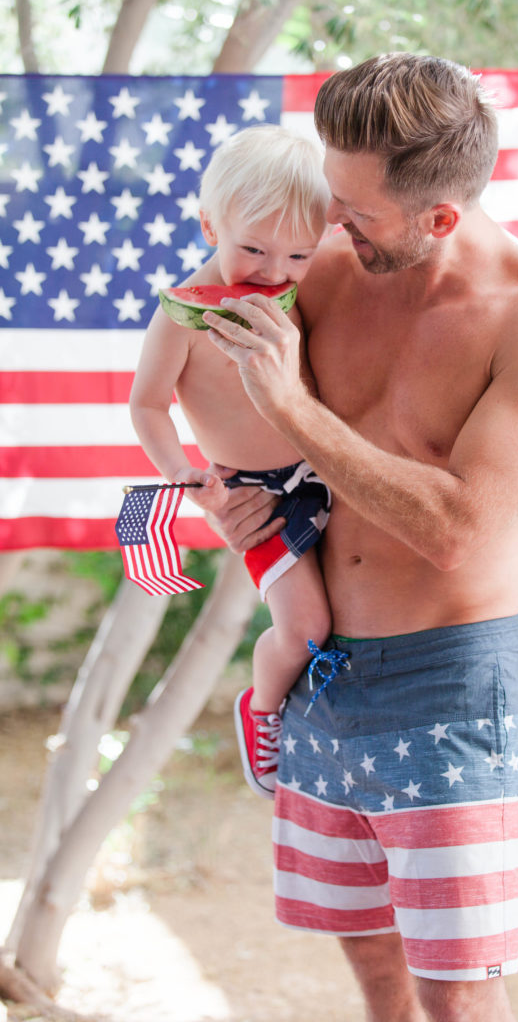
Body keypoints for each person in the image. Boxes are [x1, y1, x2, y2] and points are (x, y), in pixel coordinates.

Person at [201, 55, 518, 1022]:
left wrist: (292, 410)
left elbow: (458, 529)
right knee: (369, 951)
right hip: (320, 663)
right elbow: (244, 416)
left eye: (355, 211)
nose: (327, 226)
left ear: (439, 218)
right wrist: (231, 499)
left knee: (456, 986)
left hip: (445, 677)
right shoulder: (324, 270)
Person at [129, 125, 333, 798]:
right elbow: (148, 406)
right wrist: (178, 470)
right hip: (255, 496)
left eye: (299, 255)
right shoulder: (177, 316)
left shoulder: (306, 293)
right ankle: (262, 709)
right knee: (305, 627)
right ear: (208, 222)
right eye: (252, 248)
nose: (274, 273)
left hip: (329, 471)